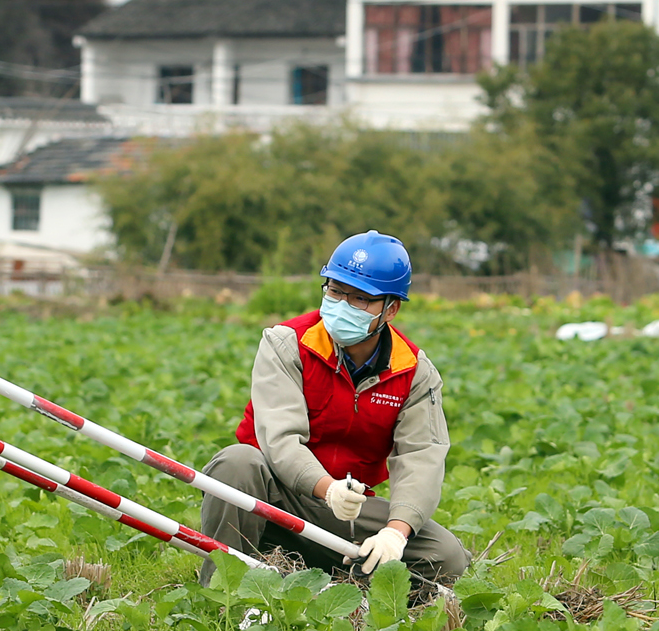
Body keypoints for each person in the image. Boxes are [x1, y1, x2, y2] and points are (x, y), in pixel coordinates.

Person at [199, 231, 470, 587]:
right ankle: (224, 589)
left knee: (447, 557)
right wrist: (326, 488)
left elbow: (421, 456)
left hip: (349, 508)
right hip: (276, 492)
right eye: (336, 290)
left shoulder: (414, 372)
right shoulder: (287, 343)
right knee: (235, 463)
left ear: (391, 308)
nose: (343, 304)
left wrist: (396, 532)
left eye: (361, 298)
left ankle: (333, 580)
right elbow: (280, 441)